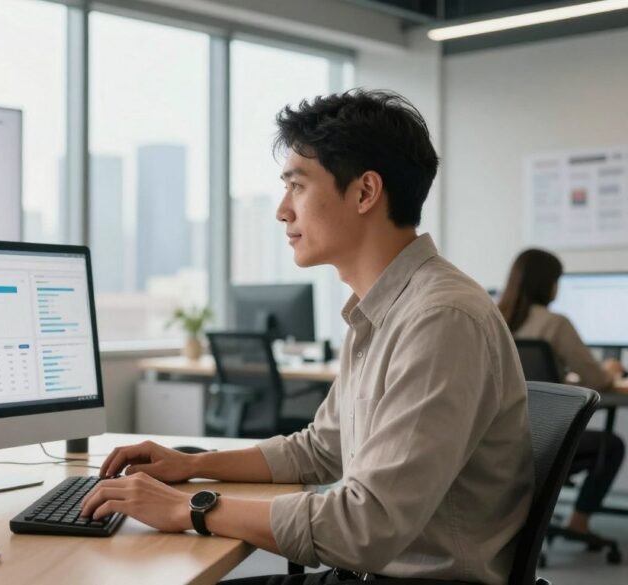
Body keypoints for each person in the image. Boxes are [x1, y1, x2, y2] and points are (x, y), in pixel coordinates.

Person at [80, 90, 534, 585]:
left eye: (296, 186)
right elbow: (321, 450)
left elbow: (366, 526)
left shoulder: (440, 319)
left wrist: (190, 507)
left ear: (365, 193)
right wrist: (191, 467)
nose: (281, 210)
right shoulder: (382, 310)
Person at [499, 248, 625, 538]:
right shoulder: (555, 323)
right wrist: (610, 369)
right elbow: (595, 378)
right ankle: (578, 520)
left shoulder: (494, 315)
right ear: (549, 283)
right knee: (613, 445)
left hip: (502, 438)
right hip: (546, 438)